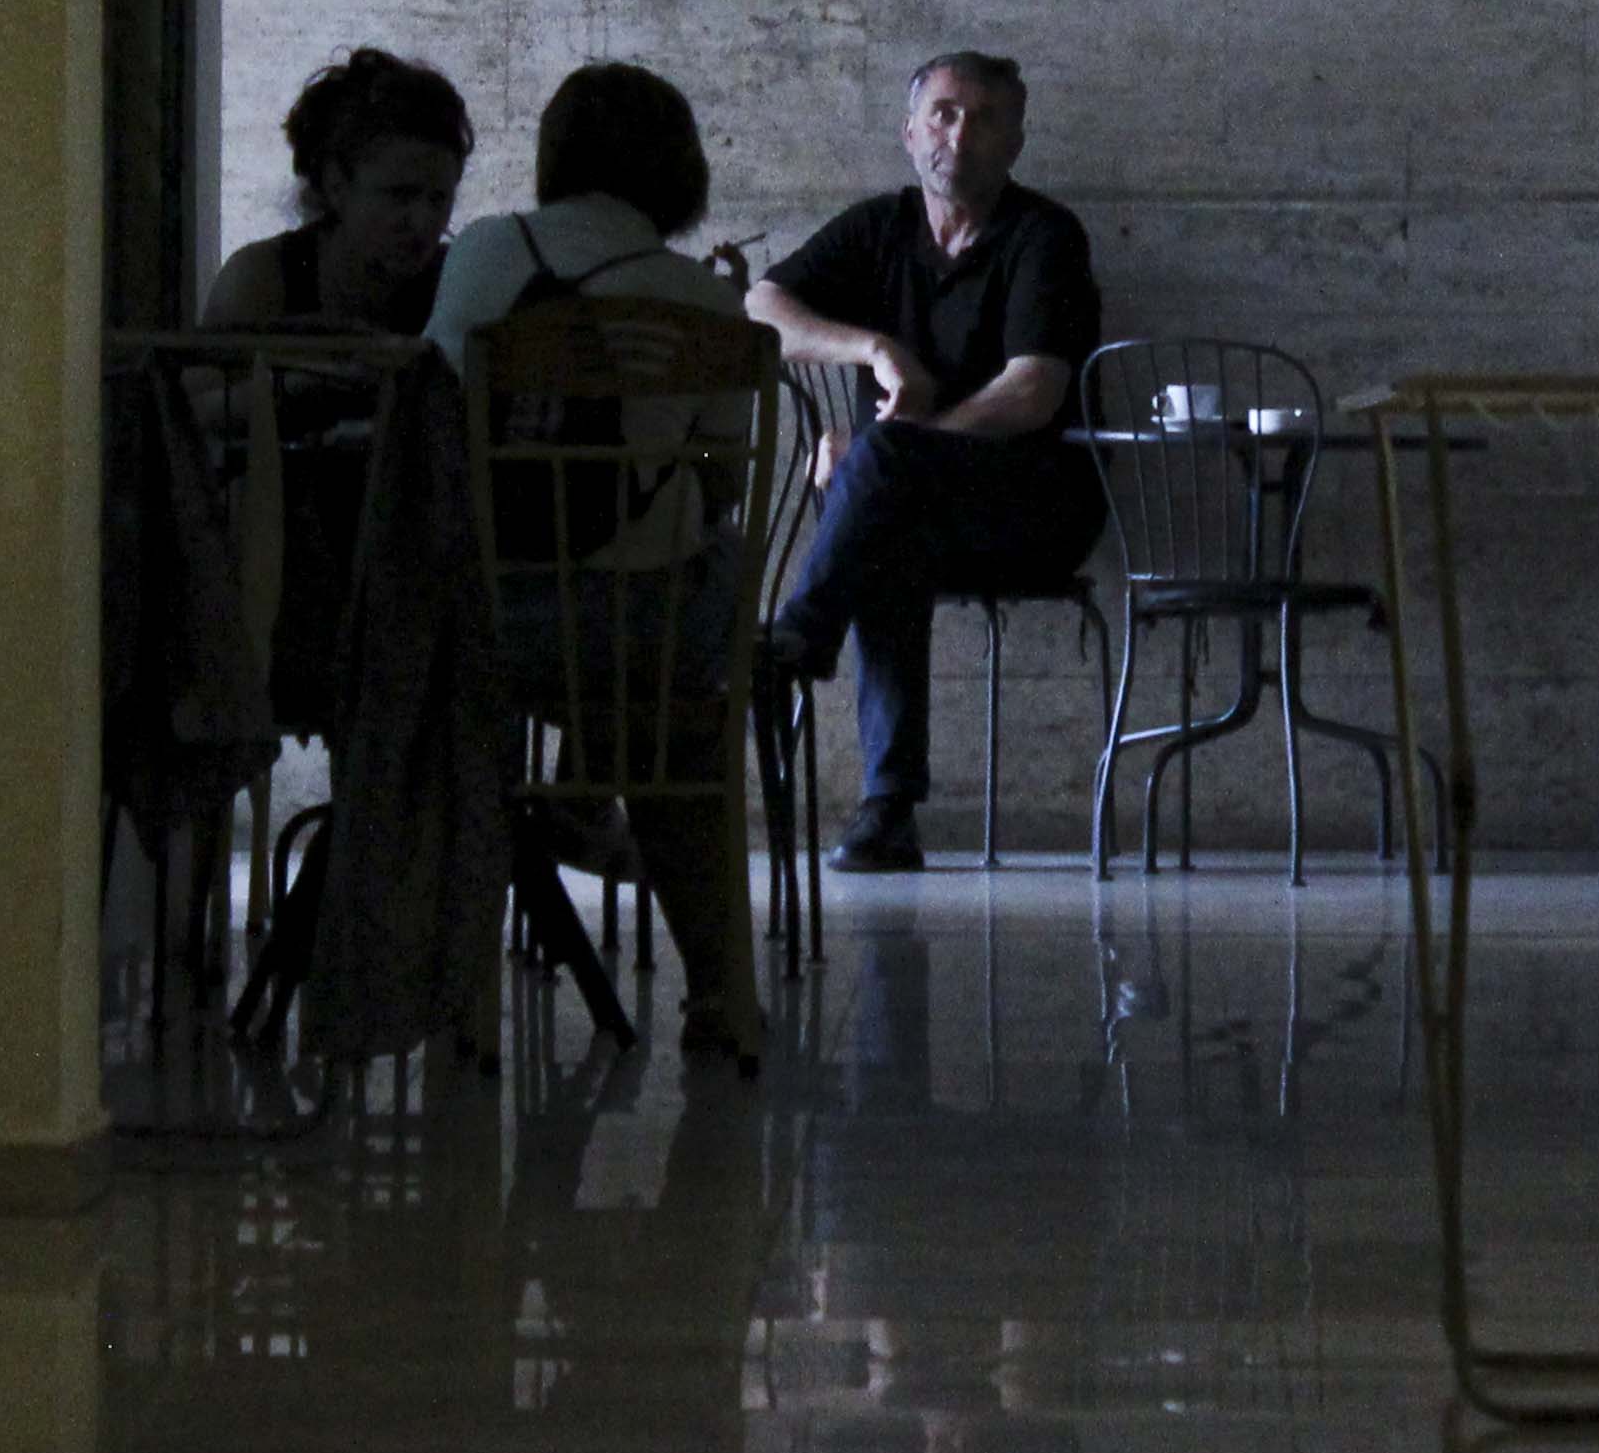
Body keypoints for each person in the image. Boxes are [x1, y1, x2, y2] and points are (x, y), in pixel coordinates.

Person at [424, 61, 766, 1062]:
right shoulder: (699, 303)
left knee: (601, 649)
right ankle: (719, 1001)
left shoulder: (484, 254)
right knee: (694, 636)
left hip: (483, 620)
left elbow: (440, 426)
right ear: (680, 171)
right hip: (634, 637)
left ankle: (466, 1011)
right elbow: (718, 477)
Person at [746, 51, 1106, 873]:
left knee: (884, 482)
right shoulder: (881, 227)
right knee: (885, 535)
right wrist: (872, 347)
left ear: (1015, 142)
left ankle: (798, 641)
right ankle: (888, 813)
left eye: (985, 119)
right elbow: (759, 308)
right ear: (911, 134)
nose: (961, 133)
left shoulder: (1044, 235)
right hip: (917, 510)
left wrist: (892, 449)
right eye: (943, 113)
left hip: (1037, 508)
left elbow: (1035, 391)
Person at [204, 46, 472, 334]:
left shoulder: (461, 289)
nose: (422, 222)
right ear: (336, 186)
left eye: (439, 199)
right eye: (400, 196)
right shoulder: (259, 286)